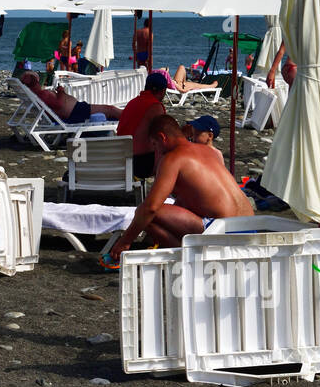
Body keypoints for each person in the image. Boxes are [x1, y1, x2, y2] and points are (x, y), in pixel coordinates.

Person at [101, 114, 254, 266]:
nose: (157, 150)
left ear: (162, 138)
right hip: (251, 229)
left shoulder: (173, 158)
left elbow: (150, 208)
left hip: (223, 232)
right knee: (166, 209)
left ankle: (191, 260)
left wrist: (125, 242)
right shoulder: (209, 152)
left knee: (146, 214)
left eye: (155, 144)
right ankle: (191, 254)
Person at [117, 72, 168, 178]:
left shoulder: (132, 102)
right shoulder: (155, 107)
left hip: (121, 160)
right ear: (163, 91)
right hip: (140, 165)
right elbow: (164, 137)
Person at [19, 71, 121, 122]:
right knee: (110, 109)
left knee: (109, 111)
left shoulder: (36, 94)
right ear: (36, 81)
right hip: (75, 112)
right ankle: (132, 119)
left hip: (76, 110)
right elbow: (59, 104)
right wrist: (61, 91)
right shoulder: (42, 94)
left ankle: (128, 119)